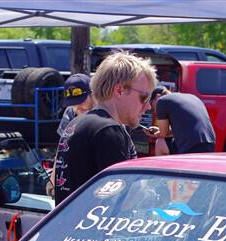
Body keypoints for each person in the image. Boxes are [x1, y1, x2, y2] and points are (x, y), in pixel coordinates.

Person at [53, 51, 157, 205]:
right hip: (92, 227)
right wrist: (153, 195)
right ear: (119, 90)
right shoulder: (108, 130)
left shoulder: (75, 123)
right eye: (144, 97)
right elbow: (124, 198)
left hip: (70, 225)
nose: (148, 106)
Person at [149, 86, 215, 155]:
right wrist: (159, 130)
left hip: (191, 146)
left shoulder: (161, 101)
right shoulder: (192, 97)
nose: (154, 111)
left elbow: (164, 134)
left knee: (160, 142)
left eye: (151, 105)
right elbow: (184, 129)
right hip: (210, 143)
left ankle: (162, 166)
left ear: (157, 97)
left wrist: (155, 134)